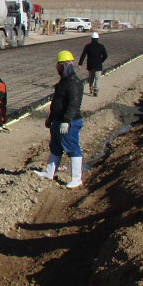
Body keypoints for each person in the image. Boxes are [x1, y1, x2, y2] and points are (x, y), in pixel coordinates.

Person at [34, 50, 84, 188]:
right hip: (58, 120)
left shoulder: (73, 82)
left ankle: (76, 178)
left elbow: (74, 103)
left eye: (60, 66)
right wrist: (51, 118)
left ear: (67, 64)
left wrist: (67, 120)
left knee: (72, 148)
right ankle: (49, 173)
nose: (58, 69)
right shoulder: (64, 81)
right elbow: (57, 102)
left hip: (69, 122)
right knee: (55, 147)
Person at [78, 32, 108, 97]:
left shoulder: (87, 46)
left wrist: (80, 64)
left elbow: (83, 55)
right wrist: (101, 61)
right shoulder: (101, 46)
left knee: (91, 78)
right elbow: (105, 55)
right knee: (97, 79)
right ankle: (95, 91)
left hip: (90, 66)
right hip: (98, 66)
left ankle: (91, 90)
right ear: (98, 38)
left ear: (91, 38)